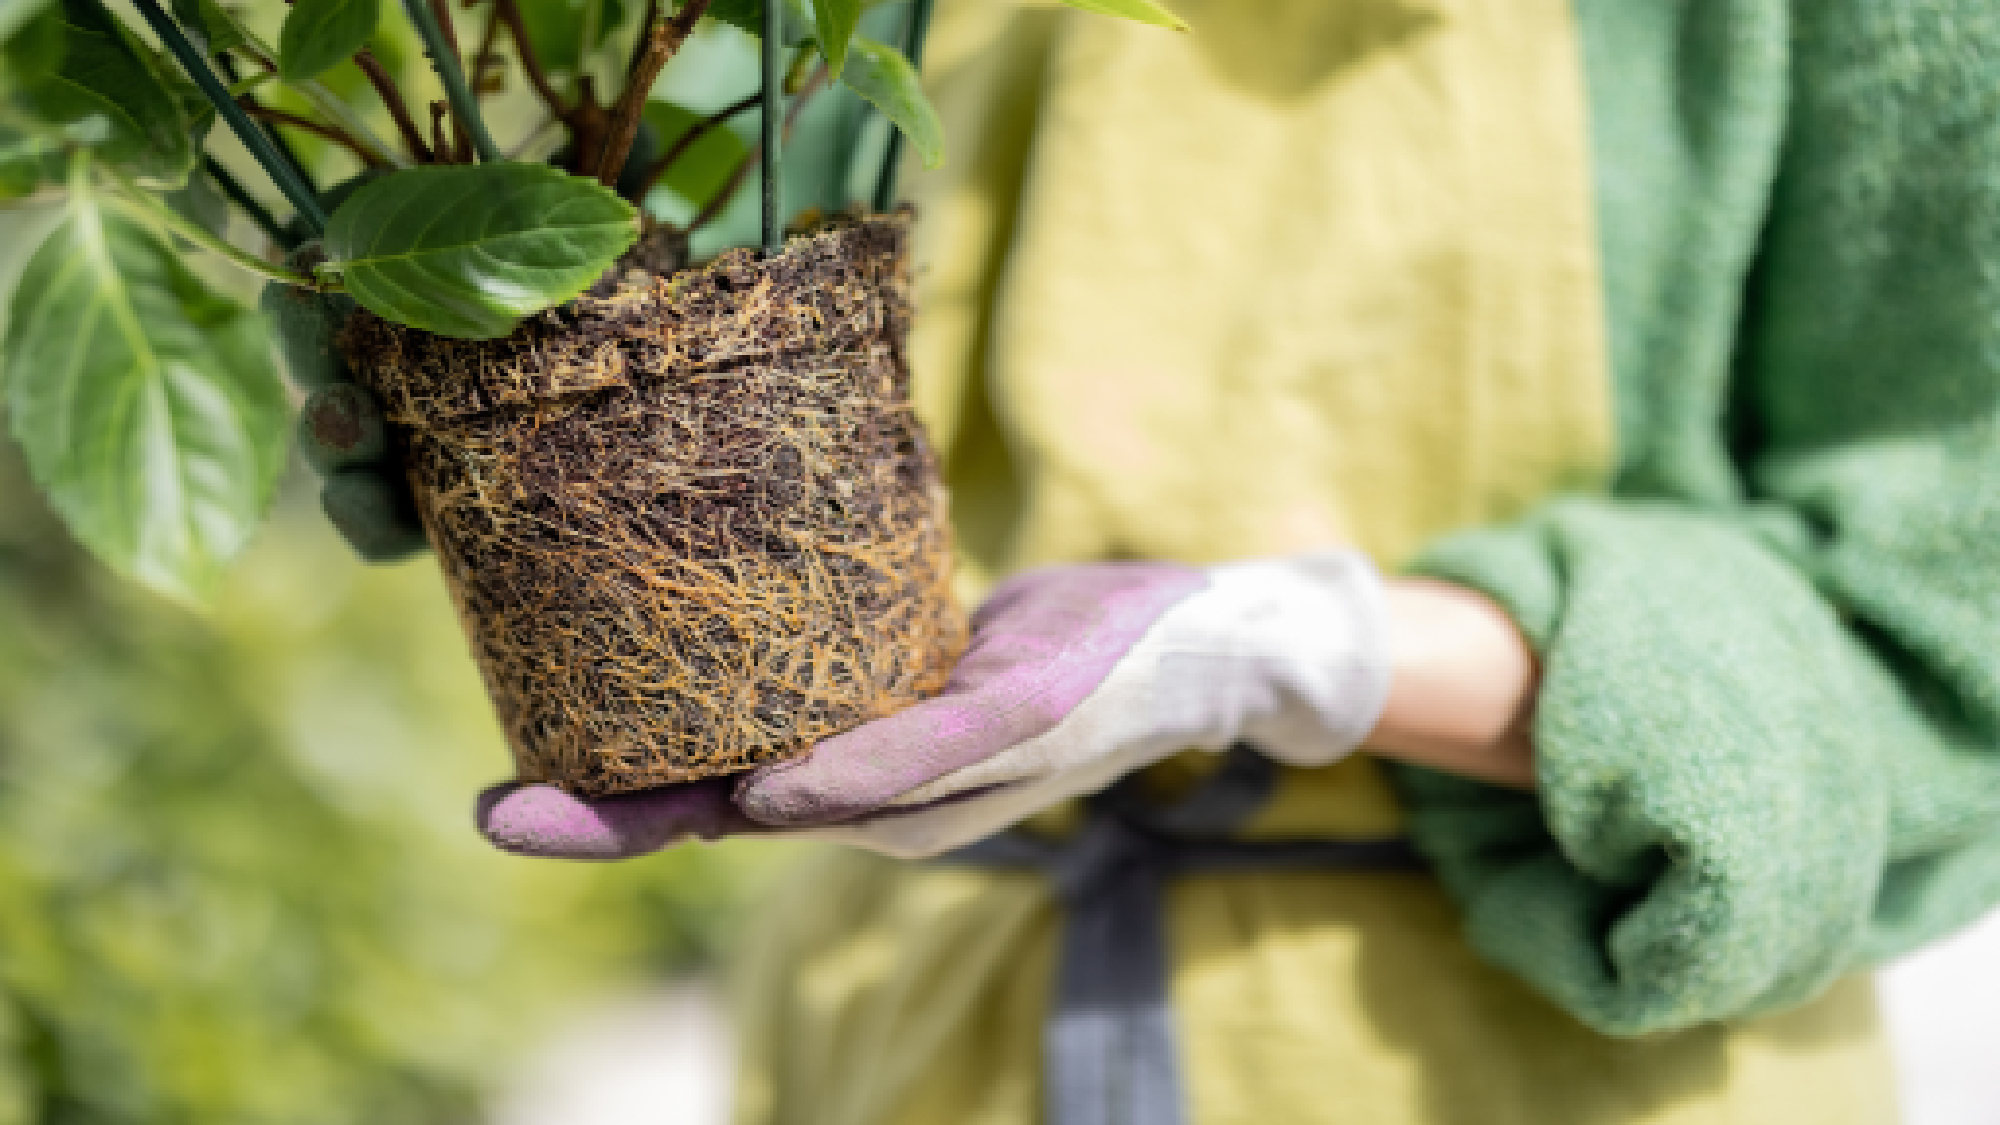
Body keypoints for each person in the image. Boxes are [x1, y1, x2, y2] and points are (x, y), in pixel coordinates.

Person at [299, 0, 2000, 1121]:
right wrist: (454, 315)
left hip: (1505, 1064)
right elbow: (697, 267)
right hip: (908, 1034)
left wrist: (1296, 650)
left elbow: (1951, 625)